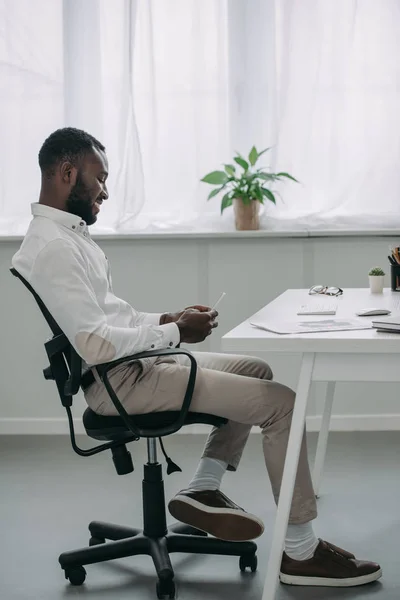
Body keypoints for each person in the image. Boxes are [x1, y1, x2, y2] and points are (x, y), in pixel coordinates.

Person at [12, 128, 382, 588]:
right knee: (281, 403)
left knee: (256, 370)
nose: (106, 190)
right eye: (100, 178)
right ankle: (300, 553)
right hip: (120, 383)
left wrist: (170, 317)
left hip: (131, 368)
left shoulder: (67, 235)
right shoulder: (53, 247)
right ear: (68, 173)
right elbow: (95, 345)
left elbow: (113, 316)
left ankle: (202, 487)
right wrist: (174, 332)